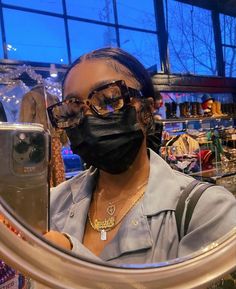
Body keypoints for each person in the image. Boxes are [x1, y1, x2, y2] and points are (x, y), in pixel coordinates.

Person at [44, 47, 236, 265]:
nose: (89, 120)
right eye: (73, 111)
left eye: (108, 101)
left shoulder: (207, 210)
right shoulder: (52, 203)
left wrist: (71, 257)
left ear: (148, 109)